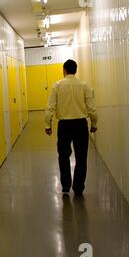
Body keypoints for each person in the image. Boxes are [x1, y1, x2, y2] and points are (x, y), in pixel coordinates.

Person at [45, 60, 98, 196]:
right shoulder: (84, 85)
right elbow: (91, 108)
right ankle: (78, 187)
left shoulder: (57, 85)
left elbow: (50, 107)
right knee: (81, 158)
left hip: (64, 126)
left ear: (64, 70)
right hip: (81, 125)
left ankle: (66, 186)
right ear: (76, 70)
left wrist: (48, 124)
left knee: (63, 156)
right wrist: (94, 123)